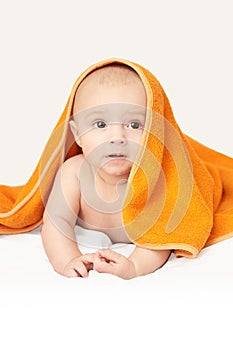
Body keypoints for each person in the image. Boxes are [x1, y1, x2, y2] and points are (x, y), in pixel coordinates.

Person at [41, 64, 171, 279]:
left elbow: (161, 236)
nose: (117, 136)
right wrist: (68, 260)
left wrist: (135, 266)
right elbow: (56, 222)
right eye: (100, 124)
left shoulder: (157, 178)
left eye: (134, 124)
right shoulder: (74, 172)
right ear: (78, 134)